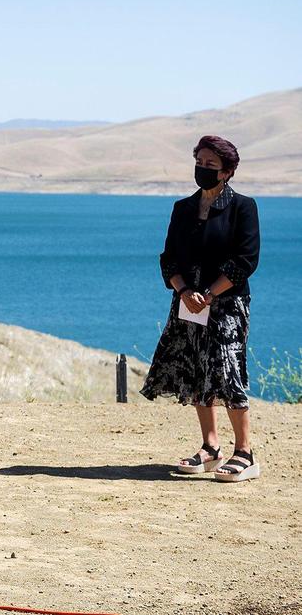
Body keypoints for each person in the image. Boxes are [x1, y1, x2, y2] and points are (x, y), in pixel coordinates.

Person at [141, 135, 261, 482]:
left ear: (227, 171)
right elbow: (168, 259)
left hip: (227, 303)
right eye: (200, 162)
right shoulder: (183, 208)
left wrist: (207, 294)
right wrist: (184, 291)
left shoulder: (243, 208)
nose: (203, 169)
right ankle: (210, 448)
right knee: (196, 371)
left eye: (211, 165)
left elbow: (245, 260)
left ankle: (245, 452)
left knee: (228, 370)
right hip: (188, 302)